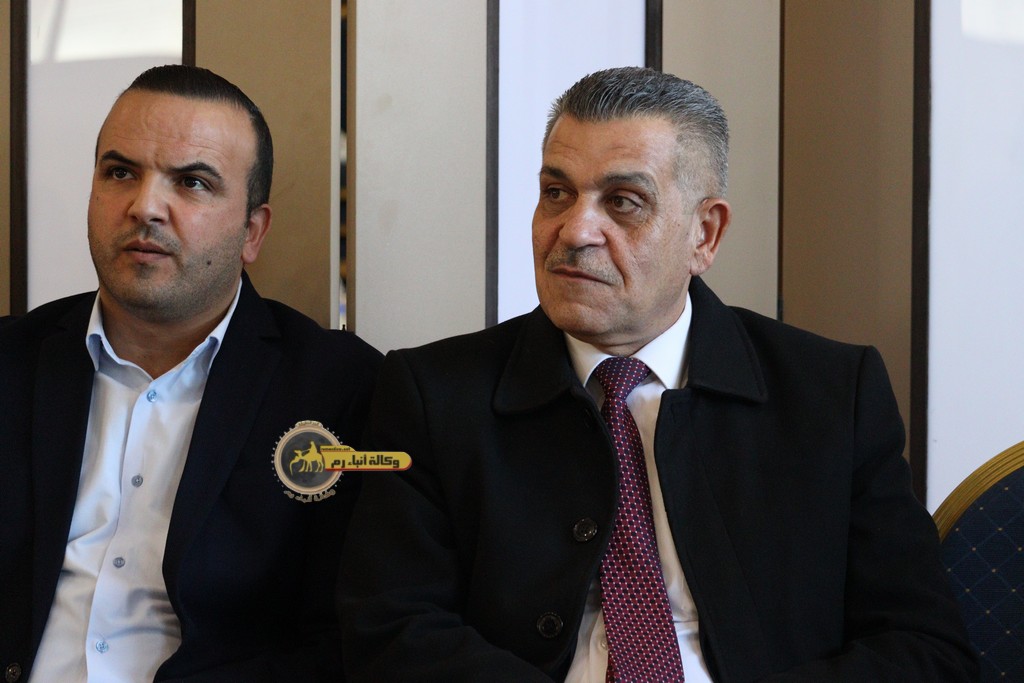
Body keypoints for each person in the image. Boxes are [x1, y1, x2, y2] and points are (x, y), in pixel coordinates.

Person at [337, 67, 977, 682]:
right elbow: (393, 631)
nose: (575, 231)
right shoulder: (433, 394)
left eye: (623, 202)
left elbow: (922, 647)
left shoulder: (830, 394)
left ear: (705, 233)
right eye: (557, 193)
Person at [0, 65, 381, 682]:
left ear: (252, 231)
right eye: (120, 173)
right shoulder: (11, 362)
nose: (146, 207)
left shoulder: (338, 389)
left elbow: (347, 638)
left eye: (192, 183)